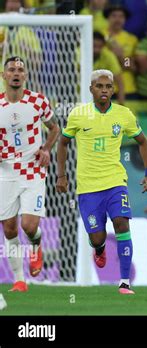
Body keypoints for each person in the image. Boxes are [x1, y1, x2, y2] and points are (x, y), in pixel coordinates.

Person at [56, 69, 147, 295]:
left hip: (115, 181)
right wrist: (61, 176)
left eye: (108, 86)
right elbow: (62, 143)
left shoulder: (124, 114)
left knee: (121, 223)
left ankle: (124, 282)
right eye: (99, 86)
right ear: (91, 89)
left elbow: (142, 141)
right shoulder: (78, 115)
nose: (104, 90)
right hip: (88, 186)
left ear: (113, 89)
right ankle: (99, 248)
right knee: (97, 236)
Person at [0, 57, 60, 292]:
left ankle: (36, 244)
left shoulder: (38, 101)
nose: (16, 73)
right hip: (5, 173)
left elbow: (55, 128)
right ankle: (19, 280)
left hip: (33, 170)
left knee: (27, 225)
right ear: (4, 76)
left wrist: (46, 149)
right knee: (9, 229)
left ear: (25, 76)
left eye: (20, 70)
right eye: (12, 70)